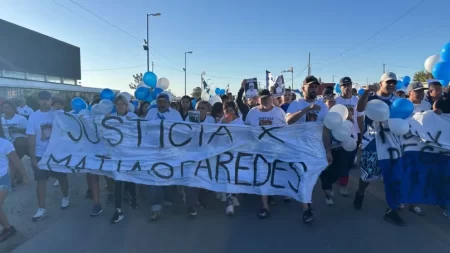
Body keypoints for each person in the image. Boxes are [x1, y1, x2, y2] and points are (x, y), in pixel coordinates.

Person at [355, 72, 405, 226]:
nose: (392, 84)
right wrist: (367, 92)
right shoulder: (370, 98)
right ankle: (360, 192)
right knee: (367, 176)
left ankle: (391, 210)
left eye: (394, 82)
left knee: (394, 177)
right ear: (381, 83)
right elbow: (359, 110)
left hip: (392, 144)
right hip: (372, 142)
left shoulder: (397, 101)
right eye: (389, 82)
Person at [286, 75, 332, 224]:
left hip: (316, 148)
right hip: (299, 148)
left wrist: (328, 150)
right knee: (304, 176)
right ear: (303, 88)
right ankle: (306, 208)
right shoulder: (296, 103)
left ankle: (306, 198)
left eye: (315, 86)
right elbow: (288, 121)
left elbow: (325, 130)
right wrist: (307, 109)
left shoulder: (323, 106)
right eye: (310, 86)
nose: (313, 89)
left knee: (310, 176)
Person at [27, 91, 69, 221]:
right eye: (41, 99)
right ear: (38, 101)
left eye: (47, 98)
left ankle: (65, 196)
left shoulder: (58, 114)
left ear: (51, 100)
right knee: (41, 181)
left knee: (62, 177)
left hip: (56, 154)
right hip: (40, 155)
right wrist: (33, 158)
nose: (44, 101)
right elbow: (31, 139)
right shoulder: (33, 117)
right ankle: (41, 209)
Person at [245, 89, 287, 219]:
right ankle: (264, 206)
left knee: (274, 174)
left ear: (271, 98)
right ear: (258, 99)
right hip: (258, 150)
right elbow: (246, 129)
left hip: (276, 150)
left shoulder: (279, 112)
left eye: (267, 98)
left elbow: (287, 129)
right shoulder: (252, 113)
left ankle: (273, 195)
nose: (265, 101)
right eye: (262, 99)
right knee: (262, 176)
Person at [146, 93, 182, 220]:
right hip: (154, 152)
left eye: (163, 101)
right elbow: (145, 129)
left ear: (168, 103)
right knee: (154, 179)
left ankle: (168, 198)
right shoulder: (150, 113)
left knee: (170, 177)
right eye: (159, 101)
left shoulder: (175, 115)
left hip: (171, 152)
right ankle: (155, 208)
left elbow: (181, 131)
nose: (161, 104)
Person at [109, 95, 139, 223]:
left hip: (130, 154)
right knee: (118, 180)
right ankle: (118, 210)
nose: (120, 106)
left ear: (127, 106)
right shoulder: (111, 117)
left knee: (130, 178)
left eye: (122, 104)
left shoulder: (133, 117)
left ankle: (134, 198)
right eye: (118, 104)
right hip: (116, 155)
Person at [334, 77, 360, 197]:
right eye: (344, 85)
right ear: (340, 87)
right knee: (343, 161)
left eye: (348, 85)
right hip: (341, 135)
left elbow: (360, 116)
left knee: (350, 162)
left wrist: (362, 132)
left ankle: (341, 178)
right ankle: (343, 186)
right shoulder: (336, 100)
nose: (347, 87)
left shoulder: (356, 100)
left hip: (354, 134)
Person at [0, 128, 27, 241]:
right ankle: (7, 228)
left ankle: (8, 229)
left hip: (3, 179)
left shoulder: (5, 143)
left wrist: (24, 175)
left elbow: (16, 160)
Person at [1, 100, 29, 186]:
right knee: (12, 163)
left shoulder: (21, 118)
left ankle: (11, 183)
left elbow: (28, 131)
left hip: (20, 144)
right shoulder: (1, 119)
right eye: (4, 107)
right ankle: (18, 177)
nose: (6, 109)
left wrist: (16, 130)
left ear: (13, 108)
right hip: (7, 144)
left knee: (12, 162)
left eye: (8, 107)